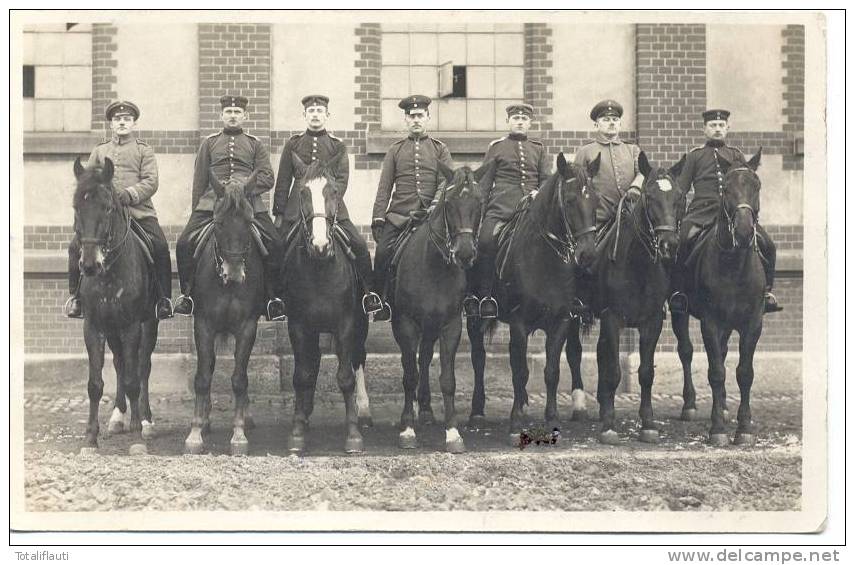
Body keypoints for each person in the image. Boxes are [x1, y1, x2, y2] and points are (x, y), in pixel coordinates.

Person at [172, 95, 286, 321]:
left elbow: (267, 177)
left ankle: (272, 298)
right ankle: (188, 295)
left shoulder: (255, 144)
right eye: (228, 112)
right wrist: (198, 210)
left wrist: (242, 188)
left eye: (237, 112)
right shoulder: (210, 143)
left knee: (276, 243)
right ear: (221, 115)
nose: (233, 116)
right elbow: (200, 180)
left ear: (245, 116)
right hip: (213, 203)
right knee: (185, 242)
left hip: (248, 203)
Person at [272, 94, 382, 316]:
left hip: (332, 209)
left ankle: (369, 294)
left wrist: (328, 201)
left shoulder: (337, 146)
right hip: (298, 210)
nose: (315, 115)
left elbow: (342, 178)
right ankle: (276, 299)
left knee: (359, 244)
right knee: (277, 247)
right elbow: (283, 179)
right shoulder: (293, 144)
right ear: (305, 115)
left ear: (327, 115)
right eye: (311, 112)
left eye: (319, 111)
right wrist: (280, 212)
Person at [65, 100, 174, 320]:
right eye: (117, 119)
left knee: (160, 246)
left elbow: (151, 181)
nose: (122, 122)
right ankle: (76, 297)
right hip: (106, 216)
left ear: (133, 123)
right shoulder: (100, 150)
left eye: (126, 119)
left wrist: (130, 195)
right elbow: (88, 182)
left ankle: (163, 300)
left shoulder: (144, 150)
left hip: (139, 212)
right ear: (111, 124)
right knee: (75, 247)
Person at [669, 109, 782, 314]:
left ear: (727, 128)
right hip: (701, 214)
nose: (717, 129)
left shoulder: (736, 154)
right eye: (713, 125)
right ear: (704, 129)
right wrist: (680, 217)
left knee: (769, 245)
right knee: (683, 243)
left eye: (721, 125)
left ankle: (766, 292)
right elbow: (682, 190)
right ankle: (680, 293)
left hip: (733, 214)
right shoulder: (695, 156)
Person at [370, 94, 454, 322]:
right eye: (412, 116)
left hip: (432, 216)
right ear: (405, 120)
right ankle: (381, 301)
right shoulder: (395, 151)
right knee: (383, 254)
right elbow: (384, 187)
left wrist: (436, 204)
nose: (416, 119)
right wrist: (379, 217)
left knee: (458, 251)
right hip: (400, 216)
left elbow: (446, 182)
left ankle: (462, 300)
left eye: (420, 115)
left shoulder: (440, 150)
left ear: (428, 117)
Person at [467, 102, 552, 319]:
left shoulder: (538, 149)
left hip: (532, 212)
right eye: (516, 119)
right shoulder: (497, 147)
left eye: (524, 119)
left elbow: (546, 181)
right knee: (485, 241)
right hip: (501, 210)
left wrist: (539, 194)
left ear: (530, 123)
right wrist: (481, 214)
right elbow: (484, 185)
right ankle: (484, 296)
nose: (520, 122)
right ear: (508, 122)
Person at [573, 99, 645, 228]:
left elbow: (642, 172)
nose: (611, 123)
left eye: (615, 120)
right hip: (598, 220)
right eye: (606, 120)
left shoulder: (632, 149)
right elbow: (576, 187)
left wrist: (635, 187)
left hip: (630, 218)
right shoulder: (585, 152)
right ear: (596, 125)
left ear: (620, 124)